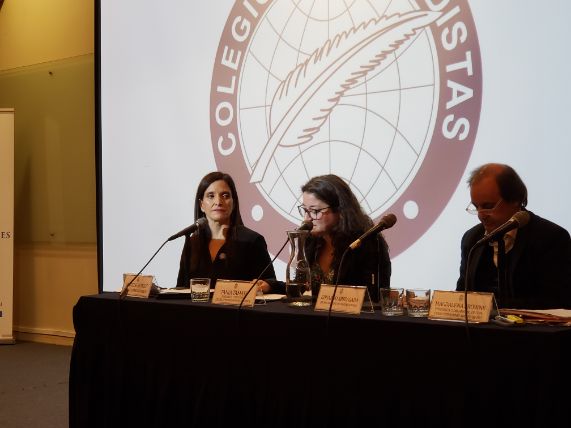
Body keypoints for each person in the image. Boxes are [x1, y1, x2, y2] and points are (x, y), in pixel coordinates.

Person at [456, 163, 571, 309]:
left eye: (488, 206)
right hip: (478, 331)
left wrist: (495, 307)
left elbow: (559, 301)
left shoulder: (550, 237)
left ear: (515, 199)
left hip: (530, 331)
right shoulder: (472, 239)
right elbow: (461, 295)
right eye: (476, 206)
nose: (480, 215)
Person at [176, 171, 277, 293]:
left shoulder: (251, 240)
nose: (218, 202)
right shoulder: (192, 241)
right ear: (201, 204)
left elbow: (270, 282)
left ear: (233, 203)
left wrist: (265, 285)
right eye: (211, 196)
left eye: (225, 195)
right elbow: (180, 288)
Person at [299, 174, 391, 302]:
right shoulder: (309, 241)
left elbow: (375, 297)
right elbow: (301, 289)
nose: (307, 219)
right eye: (305, 210)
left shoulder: (366, 243)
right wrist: (272, 285)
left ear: (339, 210)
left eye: (314, 211)